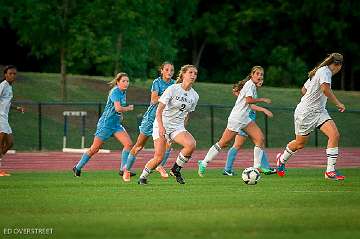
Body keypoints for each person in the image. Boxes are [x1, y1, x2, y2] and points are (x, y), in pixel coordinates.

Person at [276, 53, 346, 180]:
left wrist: (313, 96)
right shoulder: (325, 72)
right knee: (299, 144)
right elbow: (325, 89)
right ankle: (281, 160)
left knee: (334, 135)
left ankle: (330, 172)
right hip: (306, 113)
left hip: (319, 112)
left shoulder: (320, 72)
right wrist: (338, 103)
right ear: (339, 66)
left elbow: (303, 90)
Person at [198, 66, 271, 177]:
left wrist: (262, 108)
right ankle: (203, 162)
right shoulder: (249, 85)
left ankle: (256, 168)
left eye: (261, 74)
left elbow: (249, 103)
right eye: (258, 74)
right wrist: (263, 100)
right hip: (237, 118)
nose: (260, 76)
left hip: (245, 118)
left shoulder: (253, 86)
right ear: (252, 75)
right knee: (223, 143)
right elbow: (249, 101)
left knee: (260, 139)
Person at [138, 64, 199, 185]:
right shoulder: (172, 89)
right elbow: (159, 110)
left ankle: (176, 169)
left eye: (195, 73)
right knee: (159, 158)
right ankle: (143, 177)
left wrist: (182, 130)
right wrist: (161, 127)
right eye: (190, 72)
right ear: (183, 75)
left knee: (191, 144)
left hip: (177, 127)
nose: (193, 75)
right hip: (162, 124)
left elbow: (187, 114)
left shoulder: (195, 96)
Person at [72, 72, 134, 177]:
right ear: (118, 82)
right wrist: (128, 108)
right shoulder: (115, 91)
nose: (126, 83)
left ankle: (123, 170)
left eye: (127, 81)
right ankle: (77, 167)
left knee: (128, 144)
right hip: (106, 125)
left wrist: (121, 116)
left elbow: (118, 109)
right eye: (123, 81)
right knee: (95, 149)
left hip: (116, 125)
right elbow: (118, 108)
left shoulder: (123, 92)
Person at [122, 62, 175, 182]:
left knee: (168, 144)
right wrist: (167, 97)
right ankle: (127, 170)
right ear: (161, 71)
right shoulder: (157, 82)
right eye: (166, 70)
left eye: (171, 70)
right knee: (139, 146)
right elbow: (154, 100)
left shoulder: (174, 84)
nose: (169, 72)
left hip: (164, 120)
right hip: (151, 118)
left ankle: (159, 166)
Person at [223, 80, 276, 176]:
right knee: (257, 142)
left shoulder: (251, 90)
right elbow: (251, 106)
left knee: (244, 144)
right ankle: (265, 168)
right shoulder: (246, 93)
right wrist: (264, 109)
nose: (261, 81)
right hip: (245, 122)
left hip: (246, 122)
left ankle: (228, 169)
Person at [0, 65, 25, 177]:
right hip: (0, 117)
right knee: (1, 143)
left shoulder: (9, 87)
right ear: (5, 75)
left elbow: (6, 103)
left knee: (10, 143)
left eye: (14, 74)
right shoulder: (3, 85)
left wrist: (16, 108)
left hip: (4, 118)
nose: (12, 76)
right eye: (10, 73)